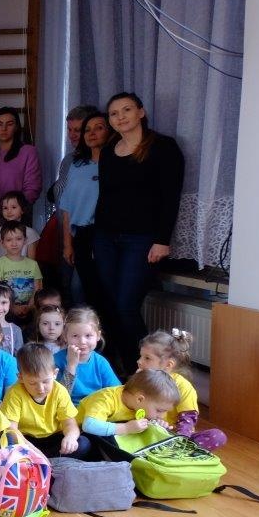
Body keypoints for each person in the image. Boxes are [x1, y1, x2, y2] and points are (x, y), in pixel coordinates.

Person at [93, 92, 185, 372]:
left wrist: (162, 240)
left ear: (141, 112)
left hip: (142, 240)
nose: (120, 117)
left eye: (127, 110)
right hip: (106, 237)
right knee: (109, 305)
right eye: (114, 113)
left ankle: (148, 369)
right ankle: (122, 368)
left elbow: (171, 198)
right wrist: (97, 238)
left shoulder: (163, 147)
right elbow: (105, 197)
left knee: (126, 306)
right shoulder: (109, 150)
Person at [1, 343, 90, 459]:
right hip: (26, 440)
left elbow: (69, 423)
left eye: (45, 382)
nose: (41, 388)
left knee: (83, 443)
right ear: (21, 378)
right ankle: (40, 459)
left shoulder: (59, 391)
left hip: (53, 437)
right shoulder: (14, 393)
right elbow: (11, 429)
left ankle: (43, 460)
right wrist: (32, 449)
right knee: (6, 442)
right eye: (32, 383)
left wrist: (70, 437)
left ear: (55, 374)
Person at [59, 112, 111, 307]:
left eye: (99, 128)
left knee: (103, 289)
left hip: (106, 234)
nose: (92, 133)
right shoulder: (76, 165)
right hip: (81, 234)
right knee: (78, 289)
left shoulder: (116, 163)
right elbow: (67, 206)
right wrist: (67, 244)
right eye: (87, 130)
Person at [40, 105, 99, 232]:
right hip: (65, 229)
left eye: (78, 130)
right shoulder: (68, 159)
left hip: (90, 231)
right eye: (69, 129)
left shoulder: (100, 160)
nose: (72, 135)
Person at [0, 107, 41, 221]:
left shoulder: (28, 152)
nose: (4, 128)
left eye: (9, 124)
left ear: (16, 127)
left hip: (16, 218)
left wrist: (14, 213)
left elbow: (32, 188)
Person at [76, 369, 180, 438]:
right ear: (139, 399)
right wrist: (126, 428)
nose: (163, 416)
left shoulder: (139, 404)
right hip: (76, 433)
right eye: (160, 410)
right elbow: (89, 426)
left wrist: (157, 426)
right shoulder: (106, 399)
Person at [54, 307, 119, 406]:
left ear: (98, 336)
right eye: (75, 336)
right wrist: (71, 365)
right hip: (69, 409)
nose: (82, 341)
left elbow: (116, 392)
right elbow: (59, 399)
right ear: (65, 336)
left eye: (88, 335)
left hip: (97, 408)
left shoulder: (100, 362)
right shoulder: (56, 360)